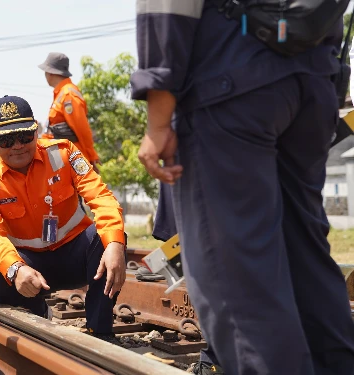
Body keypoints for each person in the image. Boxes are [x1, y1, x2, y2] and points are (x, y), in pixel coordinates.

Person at [130, 2, 354, 375]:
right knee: (306, 258)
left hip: (232, 81)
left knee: (238, 277)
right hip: (314, 80)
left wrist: (158, 117)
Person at [0, 95, 126, 339]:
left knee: (107, 237)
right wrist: (16, 269)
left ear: (37, 129)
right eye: (6, 139)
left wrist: (115, 243)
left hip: (76, 258)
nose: (17, 145)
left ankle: (100, 331)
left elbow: (101, 198)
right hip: (30, 268)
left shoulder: (63, 153)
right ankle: (36, 311)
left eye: (25, 136)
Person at [38, 52, 100, 173]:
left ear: (50, 72)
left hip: (73, 158)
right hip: (62, 157)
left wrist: (91, 156)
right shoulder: (61, 93)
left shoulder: (68, 94)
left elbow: (81, 128)